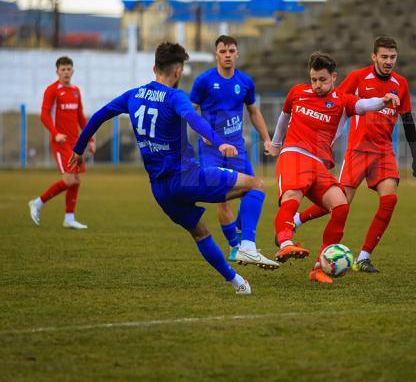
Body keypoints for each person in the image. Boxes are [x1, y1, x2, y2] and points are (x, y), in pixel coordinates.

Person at [69, 42, 278, 296]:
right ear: (178, 71)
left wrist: (78, 149)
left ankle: (236, 282)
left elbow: (99, 116)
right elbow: (194, 119)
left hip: (161, 190)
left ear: (154, 67)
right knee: (256, 184)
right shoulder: (175, 96)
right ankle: (246, 244)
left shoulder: (133, 95)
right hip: (188, 178)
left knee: (200, 232)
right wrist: (219, 141)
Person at [265, 52, 400, 283]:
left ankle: (320, 266)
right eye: (314, 79)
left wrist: (383, 101)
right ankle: (286, 243)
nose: (317, 85)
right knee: (292, 195)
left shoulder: (342, 101)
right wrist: (276, 144)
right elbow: (283, 116)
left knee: (340, 204)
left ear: (334, 77)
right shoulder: (297, 92)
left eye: (322, 80)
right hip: (294, 154)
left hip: (318, 163)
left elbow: (364, 105)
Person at [293, 36, 416, 273]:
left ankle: (363, 257)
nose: (388, 61)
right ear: (373, 57)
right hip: (358, 149)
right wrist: (325, 140)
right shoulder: (358, 77)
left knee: (390, 200)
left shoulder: (401, 83)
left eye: (392, 57)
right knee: (339, 203)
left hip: (383, 151)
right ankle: (298, 220)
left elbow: (407, 118)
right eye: (384, 56)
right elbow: (334, 103)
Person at [190, 35, 273, 264]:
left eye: (231, 51)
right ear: (216, 54)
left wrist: (266, 138)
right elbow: (191, 111)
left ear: (237, 54)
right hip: (212, 150)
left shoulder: (245, 82)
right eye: (223, 51)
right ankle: (235, 247)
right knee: (222, 198)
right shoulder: (204, 81)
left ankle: (241, 234)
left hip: (237, 148)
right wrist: (205, 134)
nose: (227, 55)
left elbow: (253, 112)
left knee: (253, 189)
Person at [28, 56, 96, 230]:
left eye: (68, 69)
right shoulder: (52, 90)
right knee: (68, 180)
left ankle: (69, 218)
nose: (66, 72)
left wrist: (90, 138)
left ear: (72, 71)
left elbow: (80, 117)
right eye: (62, 69)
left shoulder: (75, 91)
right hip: (60, 143)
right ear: (57, 71)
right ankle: (37, 202)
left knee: (76, 180)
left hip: (75, 144)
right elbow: (43, 114)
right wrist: (56, 133)